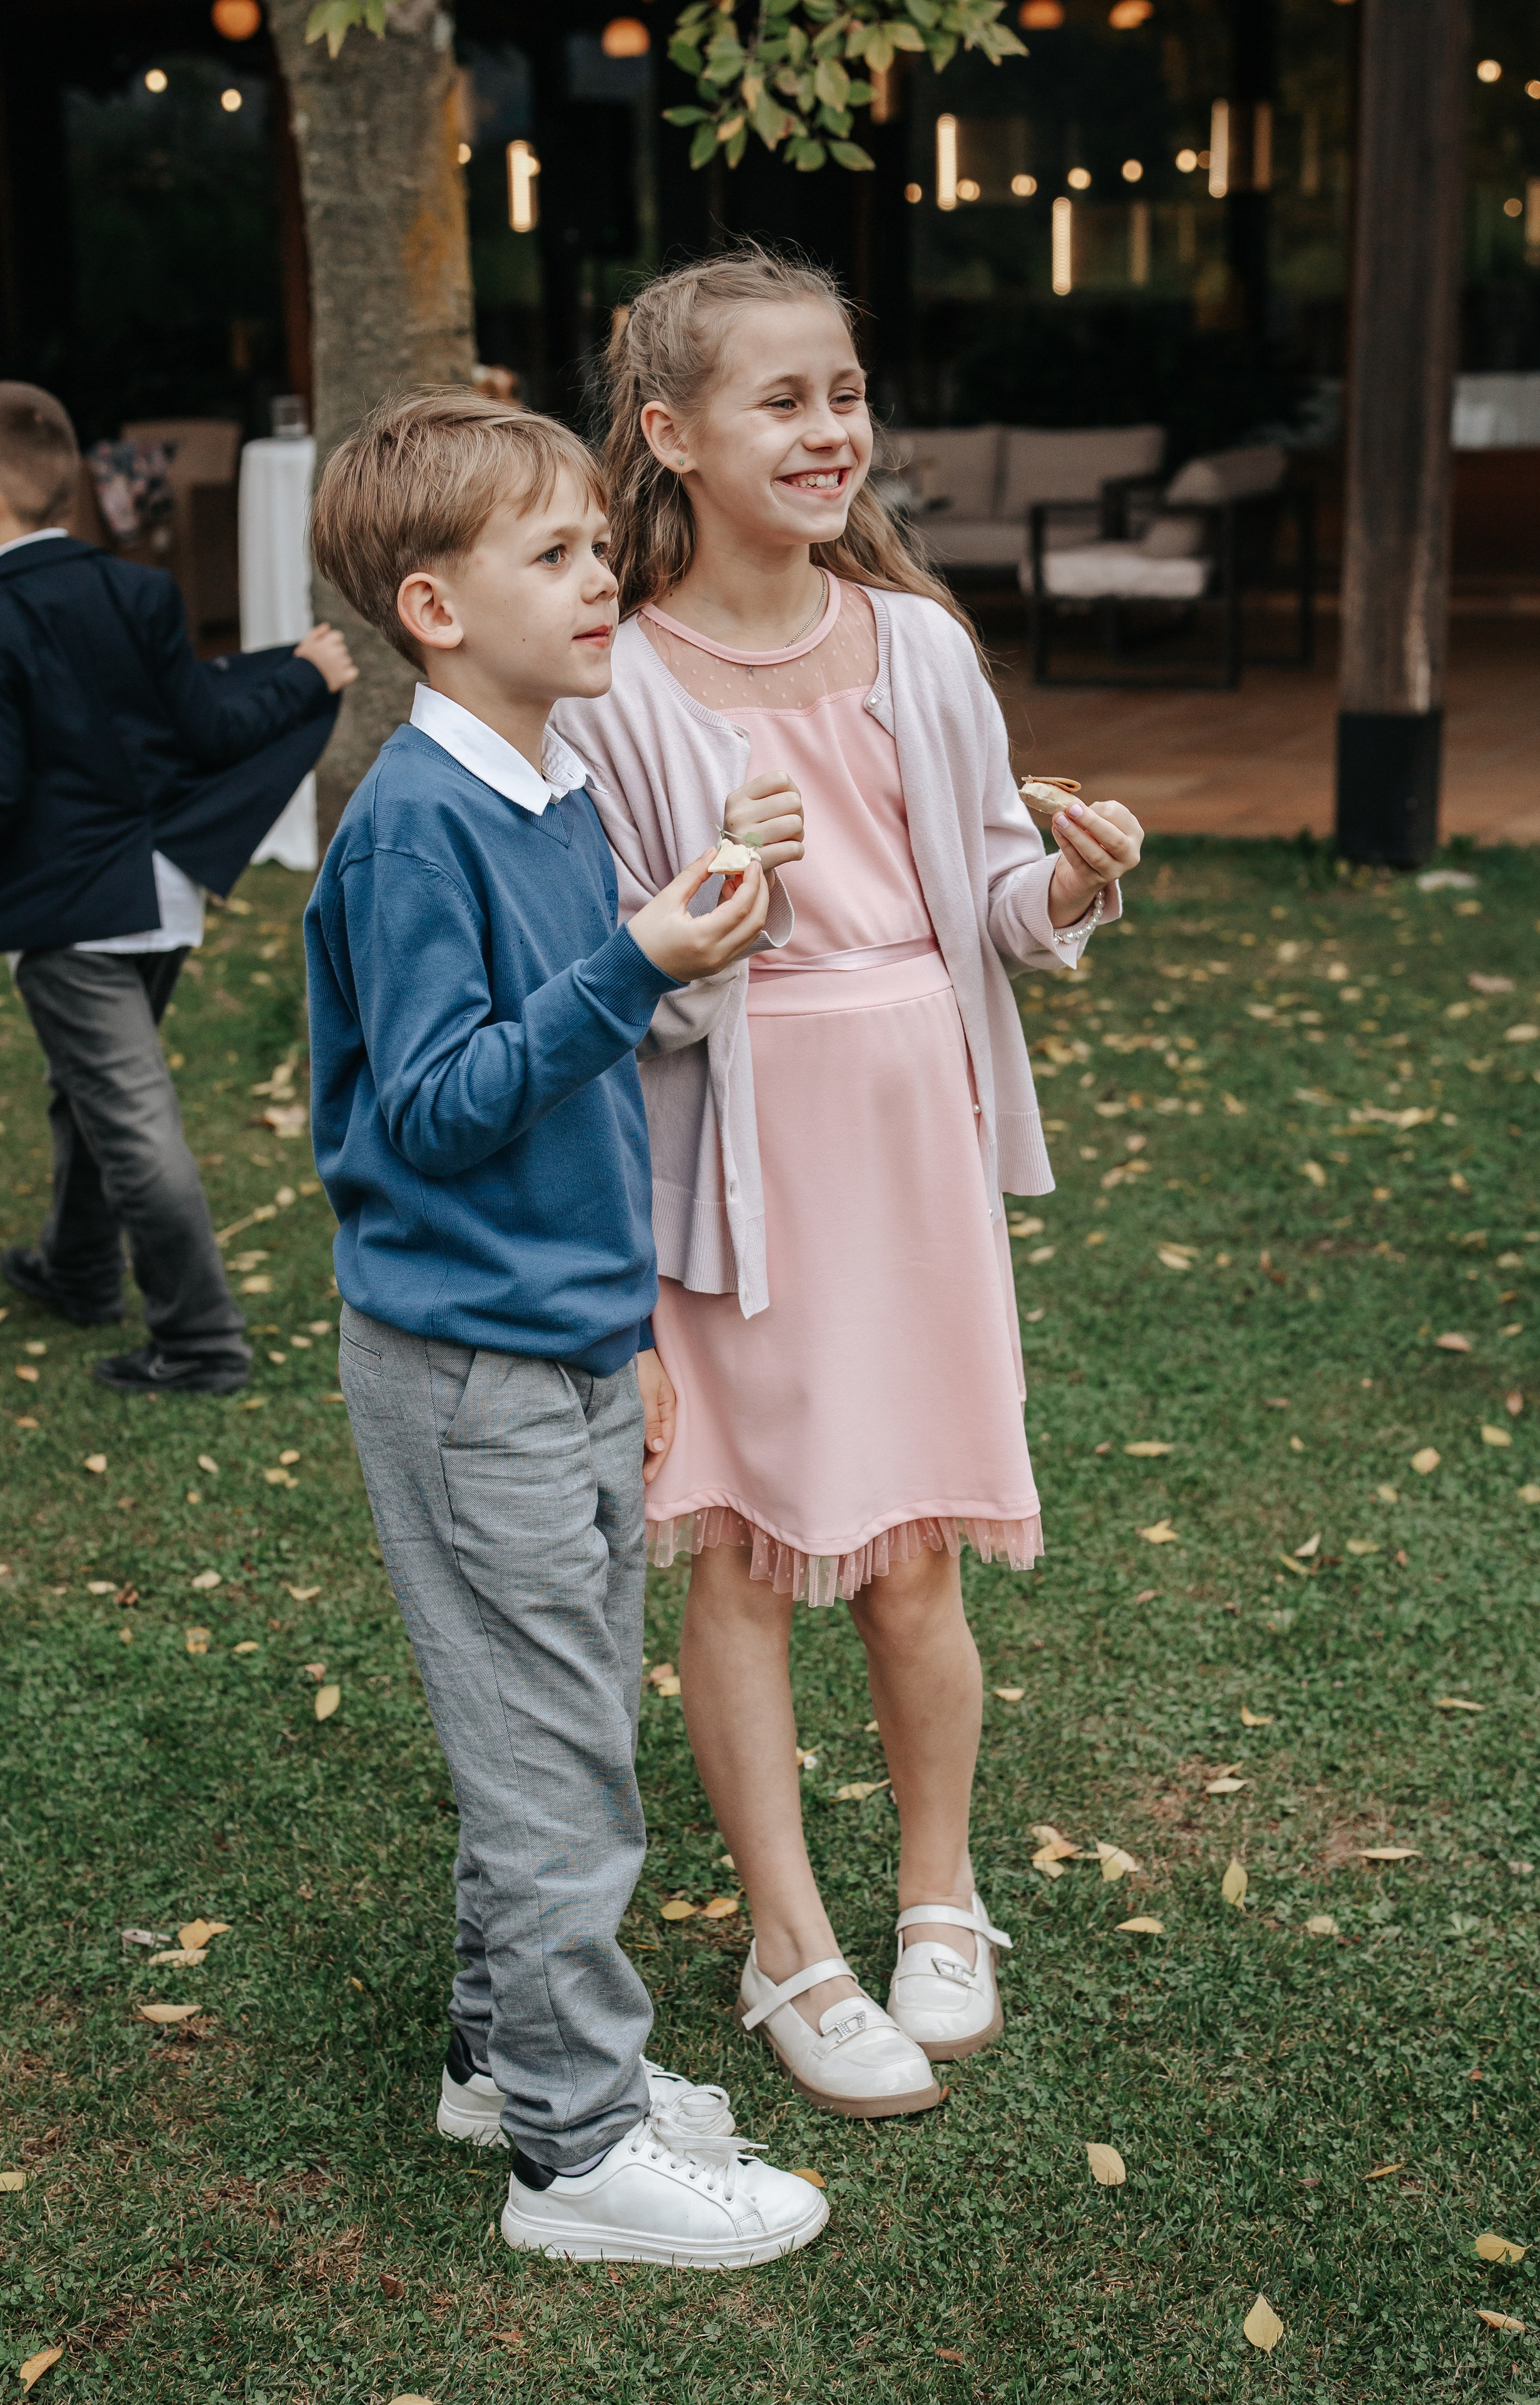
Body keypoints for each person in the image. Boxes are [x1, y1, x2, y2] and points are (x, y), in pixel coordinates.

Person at [553, 247, 1146, 2119]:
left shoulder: (921, 647)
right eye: (779, 402)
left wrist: (1061, 884)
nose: (828, 433)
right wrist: (712, 918)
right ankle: (791, 1945)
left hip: (911, 1141)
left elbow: (983, 897)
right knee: (739, 1552)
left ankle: (941, 1894)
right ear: (670, 434)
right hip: (731, 1156)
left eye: (843, 396)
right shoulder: (615, 681)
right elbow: (615, 981)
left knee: (913, 1554)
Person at [303, 386, 828, 2267]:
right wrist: (636, 964)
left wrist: (695, 931)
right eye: (558, 553)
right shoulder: (411, 827)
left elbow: (583, 1071)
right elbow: (435, 1108)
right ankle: (577, 2154)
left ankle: (495, 2060)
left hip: (562, 1345)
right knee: (557, 1769)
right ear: (435, 609)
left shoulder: (554, 787)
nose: (606, 574)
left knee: (553, 1723)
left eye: (603, 544)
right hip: (465, 1374)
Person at [0, 379, 354, 1394]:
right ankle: (77, 1266)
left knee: (131, 1119)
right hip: (165, 898)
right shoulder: (138, 591)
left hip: (78, 914)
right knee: (89, 1093)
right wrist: (300, 676)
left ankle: (201, 1341)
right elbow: (205, 734)